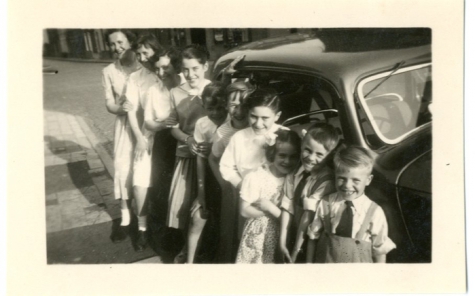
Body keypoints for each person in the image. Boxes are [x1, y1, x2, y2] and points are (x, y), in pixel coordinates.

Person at [219, 87, 287, 257]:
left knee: (278, 243)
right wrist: (243, 185)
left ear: (277, 116)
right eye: (253, 116)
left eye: (265, 118)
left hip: (279, 199)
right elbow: (226, 166)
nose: (258, 123)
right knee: (249, 242)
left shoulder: (285, 135)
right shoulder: (240, 137)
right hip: (249, 202)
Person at [306, 146, 396, 263]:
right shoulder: (325, 203)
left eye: (356, 180)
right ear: (335, 176)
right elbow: (313, 237)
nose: (347, 186)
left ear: (368, 180)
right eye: (342, 178)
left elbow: (380, 251)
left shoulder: (374, 212)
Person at [166, 44, 212, 263]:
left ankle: (205, 249)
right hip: (186, 157)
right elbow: (173, 127)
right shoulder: (175, 93)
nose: (190, 74)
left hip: (210, 158)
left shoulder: (213, 89)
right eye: (186, 69)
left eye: (195, 68)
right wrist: (188, 138)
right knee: (185, 208)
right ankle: (188, 249)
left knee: (206, 207)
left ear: (205, 66)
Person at [124, 39, 170, 251]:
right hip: (149, 132)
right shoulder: (135, 78)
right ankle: (142, 228)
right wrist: (140, 139)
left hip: (172, 133)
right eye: (139, 54)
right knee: (141, 179)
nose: (142, 59)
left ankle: (165, 226)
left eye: (146, 53)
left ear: (156, 51)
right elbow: (132, 111)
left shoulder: (167, 70)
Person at [236, 129, 301, 263]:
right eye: (282, 155)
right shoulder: (256, 177)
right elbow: (244, 210)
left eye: (293, 156)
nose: (287, 161)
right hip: (257, 238)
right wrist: (271, 211)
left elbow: (293, 219)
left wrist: (270, 208)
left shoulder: (294, 180)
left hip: (283, 237)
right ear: (272, 154)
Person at [279, 123, 340, 263]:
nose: (311, 158)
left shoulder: (326, 181)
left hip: (311, 240)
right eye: (307, 150)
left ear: (329, 156)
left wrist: (295, 251)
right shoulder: (295, 171)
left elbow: (308, 217)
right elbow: (287, 206)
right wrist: (282, 242)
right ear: (301, 146)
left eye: (319, 154)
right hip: (293, 232)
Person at [102, 29, 140, 243]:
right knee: (123, 168)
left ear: (130, 42)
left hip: (145, 123)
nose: (116, 48)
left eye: (120, 42)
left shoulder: (143, 65)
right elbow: (108, 103)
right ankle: (126, 217)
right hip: (124, 126)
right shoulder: (108, 71)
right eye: (112, 44)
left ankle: (146, 215)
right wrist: (121, 108)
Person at [209, 81, 253, 263]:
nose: (239, 110)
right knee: (230, 229)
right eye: (234, 105)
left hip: (253, 188)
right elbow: (212, 158)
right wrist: (222, 183)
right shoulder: (223, 132)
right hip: (233, 188)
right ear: (226, 106)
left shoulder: (255, 125)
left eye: (244, 105)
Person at [186, 82, 228, 264]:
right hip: (210, 177)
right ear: (204, 106)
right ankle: (190, 260)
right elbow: (200, 158)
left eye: (220, 107)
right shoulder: (202, 124)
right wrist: (201, 193)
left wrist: (214, 148)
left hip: (227, 176)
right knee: (200, 215)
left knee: (223, 220)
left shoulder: (231, 123)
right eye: (210, 108)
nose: (216, 113)